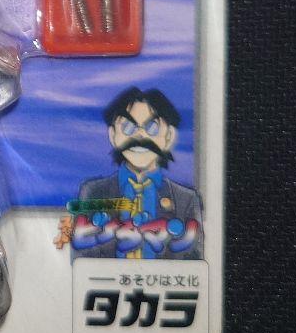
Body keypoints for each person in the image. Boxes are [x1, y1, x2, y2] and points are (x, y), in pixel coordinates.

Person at [73, 86, 203, 259]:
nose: (140, 136)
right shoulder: (93, 192)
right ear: (113, 135)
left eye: (152, 127)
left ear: (169, 136)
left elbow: (196, 261)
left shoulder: (185, 200)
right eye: (128, 127)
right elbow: (81, 257)